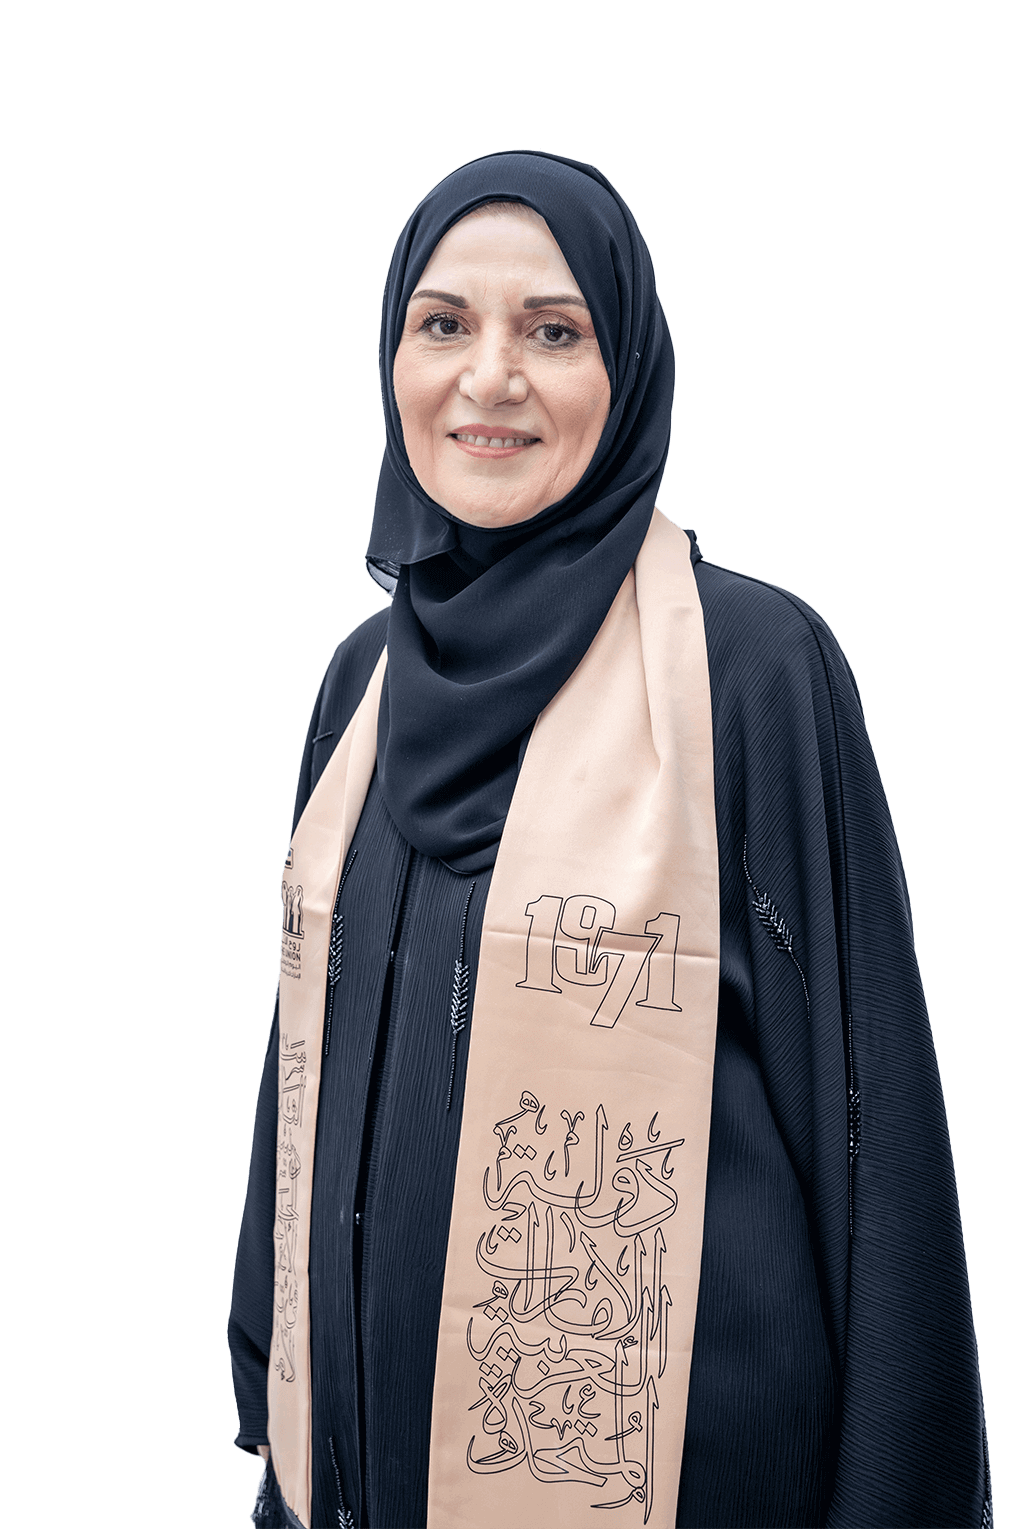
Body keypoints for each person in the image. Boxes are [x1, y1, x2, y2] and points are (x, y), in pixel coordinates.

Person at [227, 151, 992, 1529]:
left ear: (626, 370)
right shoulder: (363, 686)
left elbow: (875, 1128)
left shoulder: (750, 671)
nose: (491, 377)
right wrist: (273, 1391)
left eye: (554, 331)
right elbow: (305, 1064)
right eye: (444, 324)